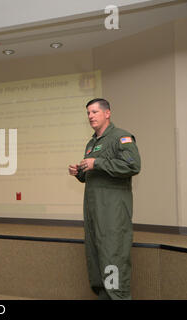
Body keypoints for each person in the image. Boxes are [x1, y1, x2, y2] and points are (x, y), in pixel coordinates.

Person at [68, 98, 141, 300]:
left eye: (94, 112)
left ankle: (117, 296)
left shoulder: (121, 137)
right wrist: (79, 172)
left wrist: (97, 163)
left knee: (112, 256)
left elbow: (133, 166)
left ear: (107, 113)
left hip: (112, 214)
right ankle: (104, 295)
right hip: (94, 213)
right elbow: (92, 175)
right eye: (88, 113)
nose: (90, 116)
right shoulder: (92, 143)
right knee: (96, 256)